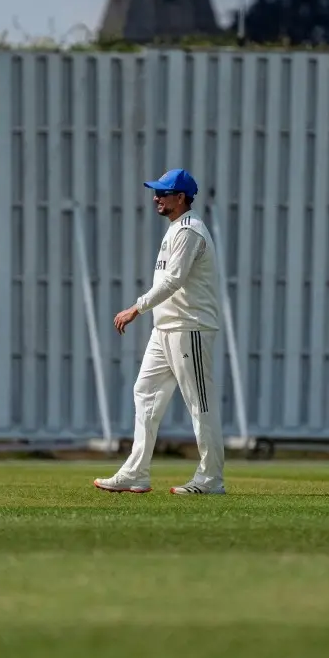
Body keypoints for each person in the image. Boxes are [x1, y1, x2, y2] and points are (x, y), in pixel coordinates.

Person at [94, 169, 227, 495]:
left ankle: (211, 480)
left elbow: (174, 280)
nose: (156, 198)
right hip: (165, 327)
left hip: (189, 327)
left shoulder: (190, 230)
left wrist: (136, 308)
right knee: (145, 393)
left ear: (180, 198)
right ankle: (136, 473)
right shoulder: (175, 230)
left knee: (200, 405)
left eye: (163, 193)